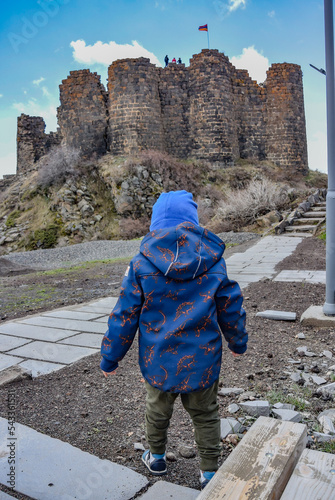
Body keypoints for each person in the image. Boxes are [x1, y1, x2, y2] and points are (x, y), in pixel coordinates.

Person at [100, 190, 247, 489]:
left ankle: (156, 457)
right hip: (202, 360)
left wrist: (110, 357)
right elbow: (230, 305)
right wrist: (237, 342)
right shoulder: (213, 260)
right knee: (206, 415)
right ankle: (208, 472)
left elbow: (125, 314)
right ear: (192, 222)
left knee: (156, 411)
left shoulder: (141, 263)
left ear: (156, 224)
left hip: (158, 361)